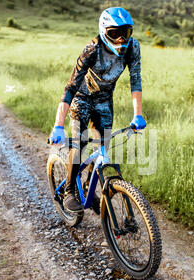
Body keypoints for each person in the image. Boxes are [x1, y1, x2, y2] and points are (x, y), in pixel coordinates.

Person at [48, 7, 146, 216]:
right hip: (82, 98)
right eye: (114, 33)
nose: (121, 39)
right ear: (104, 32)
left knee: (103, 149)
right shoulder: (92, 50)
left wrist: (138, 114)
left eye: (125, 33)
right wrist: (58, 125)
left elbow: (135, 80)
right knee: (81, 142)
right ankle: (69, 192)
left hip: (104, 100)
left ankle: (88, 188)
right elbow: (71, 87)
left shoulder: (132, 48)